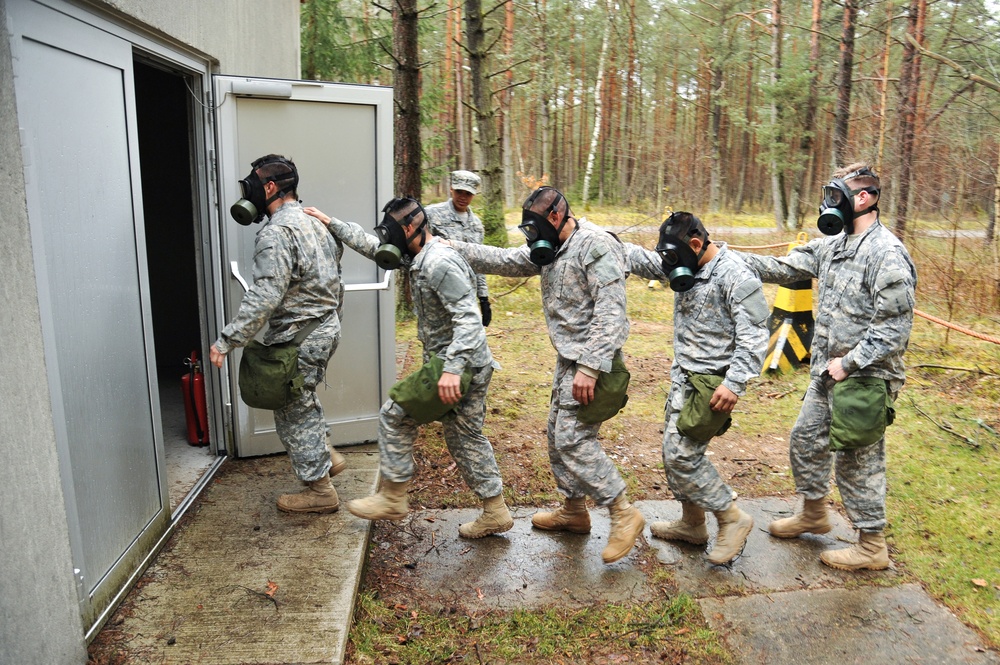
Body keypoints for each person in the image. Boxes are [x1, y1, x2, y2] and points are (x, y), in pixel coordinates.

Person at [445, 186, 645, 565]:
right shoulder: (549, 248)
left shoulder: (596, 245)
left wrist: (589, 367)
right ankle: (573, 511)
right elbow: (504, 259)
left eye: (536, 229)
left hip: (593, 363)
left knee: (572, 439)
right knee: (556, 435)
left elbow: (612, 312)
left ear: (555, 217)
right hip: (567, 361)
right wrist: (448, 246)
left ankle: (623, 512)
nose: (534, 240)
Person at [737, 163, 916, 571]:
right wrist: (720, 255)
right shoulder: (832, 247)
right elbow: (783, 268)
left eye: (837, 196)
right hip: (825, 371)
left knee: (857, 458)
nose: (828, 204)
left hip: (865, 378)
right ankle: (814, 512)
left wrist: (850, 364)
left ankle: (871, 545)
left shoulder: (886, 254)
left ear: (864, 199)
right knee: (806, 439)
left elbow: (894, 331)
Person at [303, 198, 513, 539]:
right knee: (464, 437)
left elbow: (470, 319)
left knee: (394, 415)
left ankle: (393, 497)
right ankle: (496, 510)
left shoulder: (439, 263)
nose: (389, 240)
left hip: (457, 363)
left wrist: (451, 370)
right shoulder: (418, 255)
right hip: (472, 362)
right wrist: (332, 222)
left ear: (411, 229)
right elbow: (374, 248)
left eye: (393, 232)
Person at [626, 212, 769, 565]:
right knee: (671, 453)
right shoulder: (685, 265)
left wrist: (734, 383)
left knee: (683, 456)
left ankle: (732, 518)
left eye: (673, 257)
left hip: (712, 384)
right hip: (683, 377)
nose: (669, 266)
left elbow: (755, 335)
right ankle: (693, 524)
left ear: (695, 244)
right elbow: (645, 261)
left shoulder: (735, 275)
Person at [210, 154, 346, 514]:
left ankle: (319, 491)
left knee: (290, 408)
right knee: (301, 397)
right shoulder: (316, 221)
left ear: (269, 187)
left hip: (301, 335)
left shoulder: (276, 233)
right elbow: (335, 275)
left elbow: (265, 295)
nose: (250, 193)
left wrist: (228, 340)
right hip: (324, 327)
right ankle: (325, 456)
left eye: (253, 185)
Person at [424, 170, 492, 327]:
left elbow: (479, 262)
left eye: (468, 193)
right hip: (438, 291)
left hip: (467, 293)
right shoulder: (431, 214)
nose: (463, 197)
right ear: (451, 189)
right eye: (459, 191)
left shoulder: (476, 225)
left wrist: (483, 298)